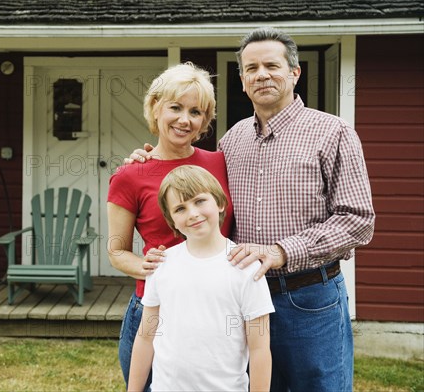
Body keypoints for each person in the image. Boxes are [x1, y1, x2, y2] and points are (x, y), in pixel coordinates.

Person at [128, 27, 375, 392]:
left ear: (294, 72)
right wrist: (146, 160)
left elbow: (358, 221)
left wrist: (281, 252)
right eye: (251, 68)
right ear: (242, 81)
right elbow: (191, 181)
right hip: (236, 299)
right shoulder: (233, 140)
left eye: (272, 66)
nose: (261, 75)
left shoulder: (332, 132)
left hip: (307, 297)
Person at [107, 62, 234, 391]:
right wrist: (143, 265)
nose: (184, 119)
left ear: (205, 121)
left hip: (216, 308)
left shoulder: (219, 163)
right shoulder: (130, 175)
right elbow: (117, 251)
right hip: (155, 309)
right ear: (155, 108)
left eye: (196, 112)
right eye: (175, 107)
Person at [128, 165, 273, 392]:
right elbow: (146, 338)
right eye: (180, 209)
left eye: (199, 201)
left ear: (220, 203)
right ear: (172, 221)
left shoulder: (246, 267)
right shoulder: (161, 264)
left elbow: (259, 349)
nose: (193, 214)